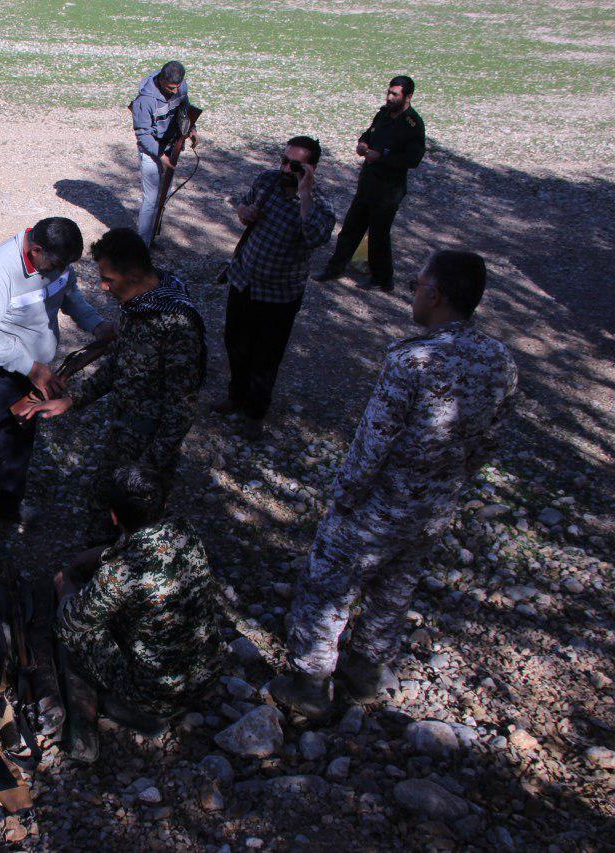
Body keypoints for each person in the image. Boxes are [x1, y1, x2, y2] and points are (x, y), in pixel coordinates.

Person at [270, 251, 517, 720]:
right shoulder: (500, 360)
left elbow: (373, 442)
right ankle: (364, 672)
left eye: (415, 284)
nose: (412, 292)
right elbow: (491, 440)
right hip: (435, 508)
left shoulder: (413, 360)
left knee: (328, 586)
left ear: (434, 295)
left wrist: (344, 498)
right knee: (396, 586)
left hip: (378, 506)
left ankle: (309, 683)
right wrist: (450, 485)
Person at [22, 228, 206, 535]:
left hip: (148, 447)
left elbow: (181, 408)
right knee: (101, 505)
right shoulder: (138, 304)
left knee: (135, 525)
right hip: (123, 432)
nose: (103, 287)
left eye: (109, 279)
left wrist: (147, 468)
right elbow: (120, 362)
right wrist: (73, 400)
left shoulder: (176, 324)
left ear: (133, 274)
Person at [0, 217, 117, 555]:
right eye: (56, 264)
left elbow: (70, 297)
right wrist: (32, 368)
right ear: (36, 249)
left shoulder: (58, 263)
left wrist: (96, 324)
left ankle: (9, 504)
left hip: (32, 371)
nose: (60, 271)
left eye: (65, 265)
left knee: (21, 439)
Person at [54, 464, 230, 760]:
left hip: (156, 695)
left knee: (71, 629)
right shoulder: (182, 529)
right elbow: (133, 548)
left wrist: (64, 584)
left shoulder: (119, 575)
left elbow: (72, 621)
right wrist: (100, 558)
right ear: (163, 503)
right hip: (207, 672)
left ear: (113, 516)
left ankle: (135, 709)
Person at [214, 136, 336, 441]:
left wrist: (304, 195)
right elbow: (244, 203)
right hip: (243, 281)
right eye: (283, 161)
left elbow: (315, 238)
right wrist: (243, 211)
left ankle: (255, 413)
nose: (286, 169)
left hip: (279, 296)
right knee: (235, 344)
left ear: (311, 169)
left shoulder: (320, 206)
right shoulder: (266, 181)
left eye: (295, 166)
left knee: (266, 357)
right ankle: (236, 396)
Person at [315, 76, 426, 292]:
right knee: (351, 228)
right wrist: (363, 143)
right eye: (389, 92)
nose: (389, 97)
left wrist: (382, 157)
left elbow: (413, 159)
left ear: (408, 97)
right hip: (368, 183)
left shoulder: (412, 124)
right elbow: (369, 133)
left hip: (389, 189)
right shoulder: (383, 114)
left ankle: (383, 279)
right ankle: (335, 268)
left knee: (378, 235)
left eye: (395, 94)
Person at [130, 61, 199, 245]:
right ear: (161, 80)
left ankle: (152, 236)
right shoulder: (144, 100)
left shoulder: (180, 87)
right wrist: (161, 156)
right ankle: (142, 246)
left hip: (171, 147)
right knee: (151, 199)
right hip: (152, 149)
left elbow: (185, 110)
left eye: (178, 86)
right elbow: (143, 134)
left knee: (164, 196)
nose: (175, 91)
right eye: (171, 88)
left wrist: (192, 129)